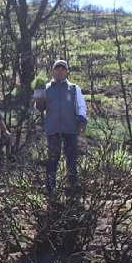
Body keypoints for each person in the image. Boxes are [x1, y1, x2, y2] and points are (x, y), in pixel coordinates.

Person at [35, 60, 88, 194]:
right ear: (53, 71)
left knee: (71, 158)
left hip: (70, 128)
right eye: (57, 69)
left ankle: (72, 186)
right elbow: (39, 108)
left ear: (66, 71)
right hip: (52, 129)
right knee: (53, 159)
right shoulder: (45, 87)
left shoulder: (74, 88)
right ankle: (50, 188)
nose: (59, 71)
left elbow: (81, 105)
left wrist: (82, 119)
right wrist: (38, 98)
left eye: (62, 69)